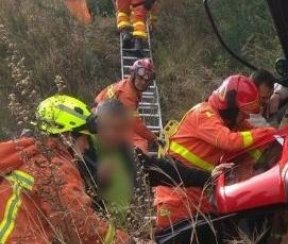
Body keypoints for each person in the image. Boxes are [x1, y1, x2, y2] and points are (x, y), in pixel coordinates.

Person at [0, 95, 153, 244]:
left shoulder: (29, 156)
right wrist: (131, 243)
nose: (87, 145)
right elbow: (80, 225)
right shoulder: (56, 167)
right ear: (68, 136)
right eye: (84, 138)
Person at [154, 75, 276, 230]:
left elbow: (253, 135)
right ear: (231, 108)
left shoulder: (229, 121)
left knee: (212, 241)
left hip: (197, 190)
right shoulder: (204, 114)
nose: (247, 116)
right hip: (176, 193)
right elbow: (230, 141)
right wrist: (267, 133)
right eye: (243, 112)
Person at [78, 99, 212, 227]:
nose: (113, 134)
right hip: (100, 241)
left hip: (131, 236)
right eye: (108, 127)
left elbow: (165, 170)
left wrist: (208, 178)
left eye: (119, 129)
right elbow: (74, 204)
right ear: (95, 125)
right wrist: (97, 181)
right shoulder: (82, 153)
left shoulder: (128, 153)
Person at [95, 58, 158, 152]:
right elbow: (135, 123)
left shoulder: (129, 86)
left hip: (106, 117)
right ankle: (135, 166)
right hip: (102, 121)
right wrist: (153, 137)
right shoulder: (127, 93)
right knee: (141, 143)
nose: (143, 83)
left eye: (146, 81)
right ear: (133, 74)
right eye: (140, 78)